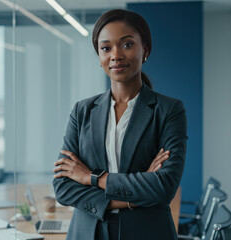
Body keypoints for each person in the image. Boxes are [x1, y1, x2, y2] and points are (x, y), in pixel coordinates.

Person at [52, 9, 187, 240]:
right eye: (106, 48)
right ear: (99, 56)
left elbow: (164, 187)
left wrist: (92, 178)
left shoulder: (168, 110)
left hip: (147, 232)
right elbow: (63, 189)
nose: (115, 55)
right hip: (87, 232)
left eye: (127, 45)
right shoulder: (82, 111)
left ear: (145, 50)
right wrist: (137, 191)